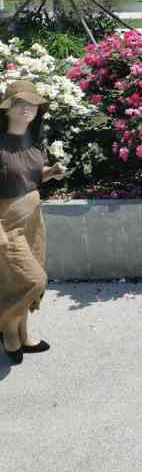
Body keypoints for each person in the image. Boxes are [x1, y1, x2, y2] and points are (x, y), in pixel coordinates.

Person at [0, 80, 65, 365]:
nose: (27, 109)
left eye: (32, 104)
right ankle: (7, 329)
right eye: (20, 104)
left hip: (33, 220)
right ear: (7, 109)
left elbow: (28, 178)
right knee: (33, 280)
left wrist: (50, 173)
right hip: (8, 222)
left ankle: (23, 335)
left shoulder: (33, 142)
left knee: (16, 283)